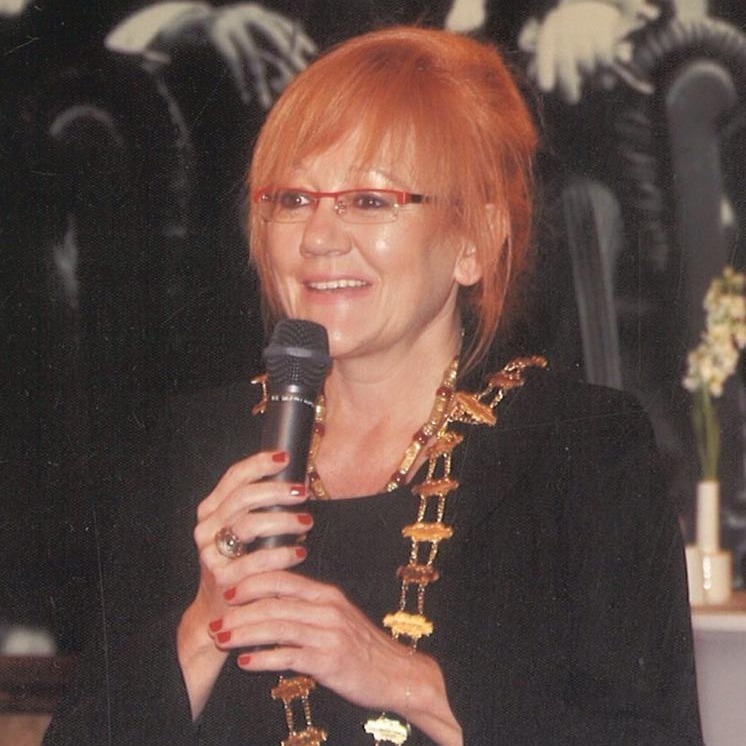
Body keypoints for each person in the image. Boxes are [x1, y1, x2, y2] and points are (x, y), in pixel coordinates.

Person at [43, 25, 702, 746]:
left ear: (474, 241)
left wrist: (404, 681)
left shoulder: (581, 450)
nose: (319, 236)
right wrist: (204, 626)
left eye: (369, 200)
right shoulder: (193, 449)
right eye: (294, 198)